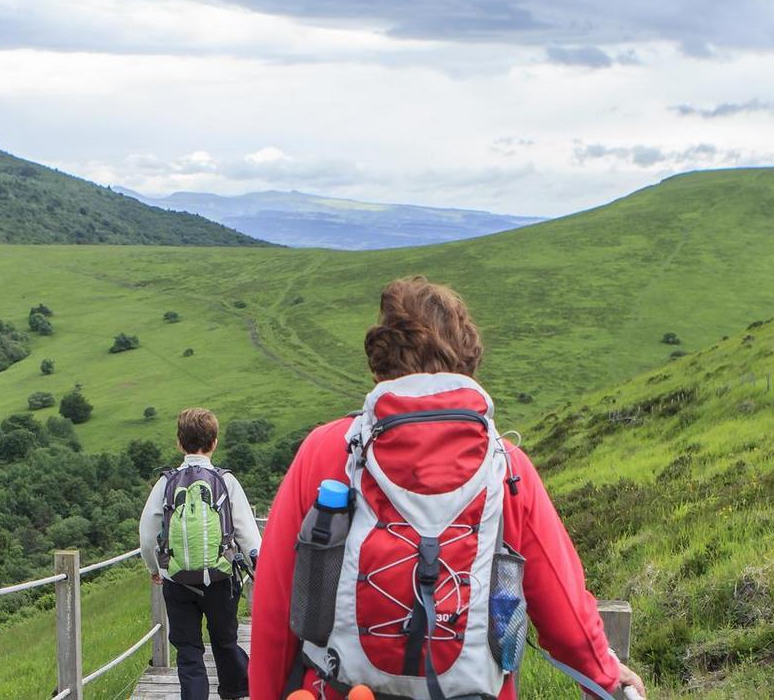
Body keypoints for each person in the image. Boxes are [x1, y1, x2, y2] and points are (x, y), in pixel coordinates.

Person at [249, 277, 649, 700]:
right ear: (468, 359)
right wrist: (604, 674)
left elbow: (276, 607)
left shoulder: (327, 449)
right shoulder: (508, 467)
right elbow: (564, 611)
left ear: (379, 361)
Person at [141, 407, 264, 700]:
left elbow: (147, 534)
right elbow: (247, 533)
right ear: (214, 442)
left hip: (178, 580)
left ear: (179, 444)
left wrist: (155, 569)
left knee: (188, 650)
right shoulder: (226, 481)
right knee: (225, 640)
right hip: (221, 579)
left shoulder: (165, 483)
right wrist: (258, 569)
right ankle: (234, 691)